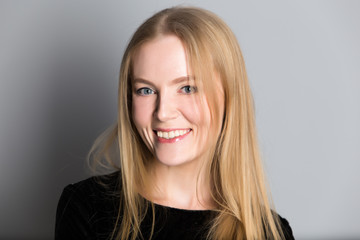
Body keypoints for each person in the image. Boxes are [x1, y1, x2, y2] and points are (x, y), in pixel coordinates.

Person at [55, 6, 294, 240]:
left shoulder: (269, 232)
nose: (163, 112)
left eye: (187, 88)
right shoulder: (86, 207)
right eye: (146, 90)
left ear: (230, 97)